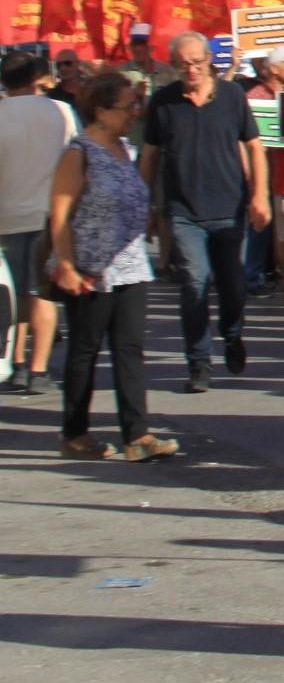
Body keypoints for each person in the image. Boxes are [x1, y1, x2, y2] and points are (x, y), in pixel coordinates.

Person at [47, 71, 177, 461]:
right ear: (101, 110)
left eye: (136, 104)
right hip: (90, 268)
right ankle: (74, 433)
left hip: (131, 265)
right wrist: (67, 265)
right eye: (127, 107)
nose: (134, 113)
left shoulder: (126, 150)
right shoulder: (79, 152)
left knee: (129, 348)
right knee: (85, 350)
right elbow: (59, 214)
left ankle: (137, 435)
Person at [138, 33, 270, 393]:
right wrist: (145, 204)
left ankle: (232, 333)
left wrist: (260, 195)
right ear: (174, 65)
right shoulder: (163, 102)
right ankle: (198, 362)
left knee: (232, 283)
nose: (191, 69)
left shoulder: (232, 97)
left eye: (197, 62)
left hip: (229, 208)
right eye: (183, 64)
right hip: (183, 211)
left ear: (209, 60)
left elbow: (255, 148)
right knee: (194, 283)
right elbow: (148, 157)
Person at [2, 52, 77, 396]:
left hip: (8, 215)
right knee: (43, 294)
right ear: (36, 76)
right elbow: (76, 156)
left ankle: (16, 362)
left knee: (17, 293)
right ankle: (38, 368)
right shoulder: (58, 111)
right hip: (50, 213)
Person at [243, 53, 284, 307]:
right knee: (274, 229)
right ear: (274, 68)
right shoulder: (255, 98)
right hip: (273, 174)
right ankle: (261, 276)